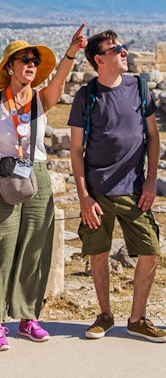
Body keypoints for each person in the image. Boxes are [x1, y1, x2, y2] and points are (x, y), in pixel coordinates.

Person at [0, 25, 87, 350]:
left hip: (37, 173)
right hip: (4, 176)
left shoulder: (39, 99)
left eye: (34, 59)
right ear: (10, 67)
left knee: (36, 246)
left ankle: (26, 316)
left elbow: (60, 81)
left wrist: (72, 51)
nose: (31, 64)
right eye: (24, 59)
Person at [68, 30, 165, 342]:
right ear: (100, 59)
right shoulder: (86, 95)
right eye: (117, 49)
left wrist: (151, 181)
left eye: (123, 47)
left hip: (136, 190)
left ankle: (137, 318)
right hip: (96, 192)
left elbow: (153, 137)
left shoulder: (139, 87)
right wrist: (83, 196)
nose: (124, 52)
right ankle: (105, 314)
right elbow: (75, 149)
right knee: (99, 253)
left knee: (150, 251)